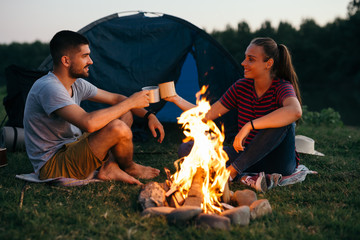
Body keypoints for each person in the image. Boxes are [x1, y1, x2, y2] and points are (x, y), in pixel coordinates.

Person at [23, 30, 165, 185]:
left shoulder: (76, 83)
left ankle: (110, 167)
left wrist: (149, 116)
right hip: (53, 164)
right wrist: (131, 102)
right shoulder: (49, 87)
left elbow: (117, 99)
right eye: (85, 56)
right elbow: (88, 123)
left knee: (126, 114)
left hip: (71, 147)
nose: (90, 61)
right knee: (118, 127)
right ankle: (129, 167)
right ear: (66, 61)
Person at [165, 37, 302, 192]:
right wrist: (175, 99)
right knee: (187, 148)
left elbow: (295, 111)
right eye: (245, 58)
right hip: (247, 156)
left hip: (277, 161)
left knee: (284, 121)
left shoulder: (282, 86)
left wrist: (250, 125)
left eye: (251, 59)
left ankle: (232, 172)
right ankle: (245, 177)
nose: (244, 63)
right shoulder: (241, 87)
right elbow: (207, 115)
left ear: (268, 64)